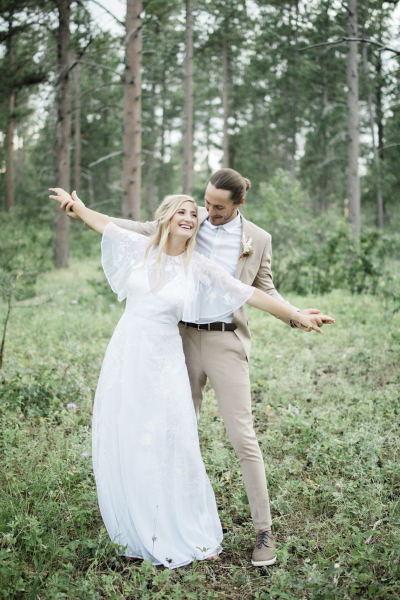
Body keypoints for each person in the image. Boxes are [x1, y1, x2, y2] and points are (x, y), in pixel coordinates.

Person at [56, 169, 334, 567]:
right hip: (178, 338)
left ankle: (264, 530)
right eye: (202, 203)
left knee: (242, 436)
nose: (205, 212)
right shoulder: (187, 221)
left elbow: (257, 289)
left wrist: (295, 315)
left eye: (215, 207)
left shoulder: (257, 239)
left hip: (223, 339)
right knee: (171, 431)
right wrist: (80, 210)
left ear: (238, 205)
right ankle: (158, 515)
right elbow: (129, 228)